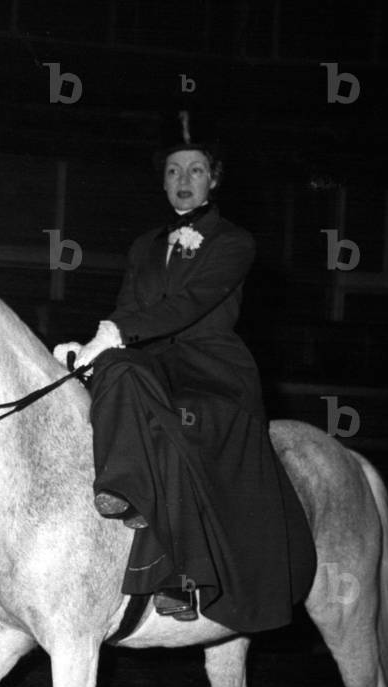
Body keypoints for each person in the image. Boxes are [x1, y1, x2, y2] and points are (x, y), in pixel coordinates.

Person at [54, 118, 316, 630]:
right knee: (116, 373)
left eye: (196, 170)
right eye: (174, 170)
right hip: (153, 365)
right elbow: (128, 307)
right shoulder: (143, 246)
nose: (184, 179)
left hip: (212, 371)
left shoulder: (235, 242)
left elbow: (188, 306)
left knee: (166, 419)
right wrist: (93, 348)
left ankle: (178, 574)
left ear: (213, 179)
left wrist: (114, 335)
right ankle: (123, 487)